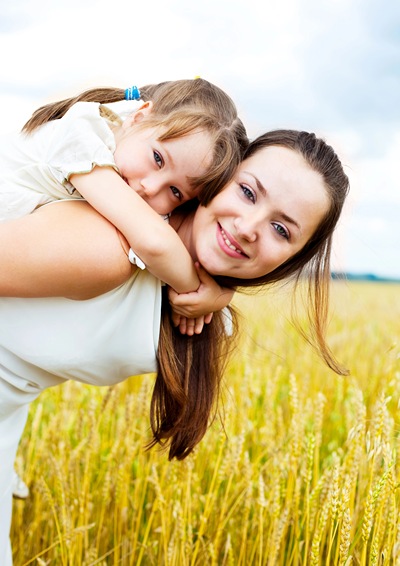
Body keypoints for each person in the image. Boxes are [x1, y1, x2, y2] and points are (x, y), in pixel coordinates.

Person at [0, 129, 349, 565]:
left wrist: (207, 287)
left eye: (281, 229)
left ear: (292, 260)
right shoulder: (110, 248)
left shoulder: (203, 315)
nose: (247, 228)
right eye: (246, 192)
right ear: (215, 175)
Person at [0, 77, 248, 301]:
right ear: (139, 117)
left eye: (175, 192)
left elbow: (171, 243)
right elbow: (156, 244)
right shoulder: (83, 135)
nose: (150, 188)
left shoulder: (132, 171)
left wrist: (223, 294)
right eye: (158, 159)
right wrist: (198, 290)